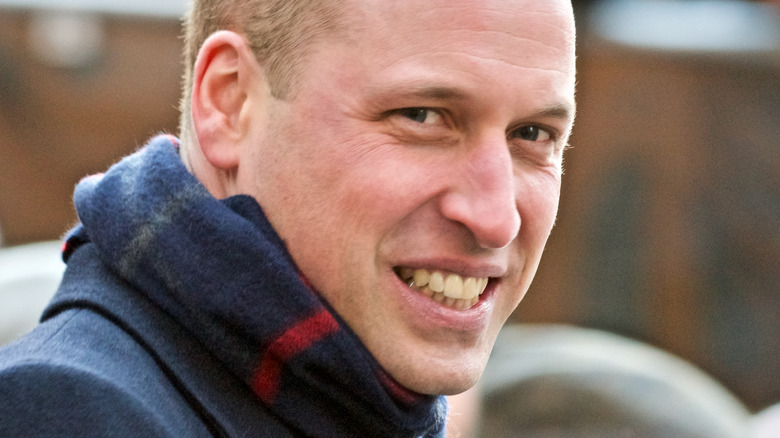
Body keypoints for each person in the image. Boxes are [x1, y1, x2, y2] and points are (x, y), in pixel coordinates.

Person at [0, 0, 576, 436]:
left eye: (533, 135)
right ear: (229, 103)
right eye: (421, 117)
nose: (496, 218)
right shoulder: (66, 412)